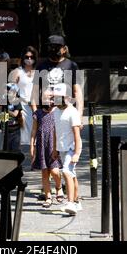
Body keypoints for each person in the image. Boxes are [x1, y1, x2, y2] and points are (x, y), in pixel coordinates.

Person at [30, 35, 83, 124]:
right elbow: (34, 92)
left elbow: (77, 92)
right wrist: (36, 113)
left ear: (64, 49)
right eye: (50, 46)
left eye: (57, 47)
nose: (53, 49)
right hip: (46, 113)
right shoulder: (41, 67)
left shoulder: (72, 66)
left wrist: (79, 115)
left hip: (66, 113)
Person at [51, 83, 83, 215]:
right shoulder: (55, 112)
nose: (57, 100)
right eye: (56, 97)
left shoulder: (72, 112)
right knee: (72, 174)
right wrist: (54, 149)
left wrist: (76, 153)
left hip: (72, 148)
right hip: (62, 148)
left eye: (61, 97)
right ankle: (76, 201)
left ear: (68, 98)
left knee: (66, 171)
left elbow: (77, 135)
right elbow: (55, 132)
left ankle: (70, 203)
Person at [30, 92, 64, 208]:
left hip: (53, 145)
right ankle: (48, 196)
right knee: (44, 173)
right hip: (41, 145)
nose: (49, 101)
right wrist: (32, 146)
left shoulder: (57, 112)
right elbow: (34, 131)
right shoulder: (37, 113)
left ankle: (59, 187)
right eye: (47, 98)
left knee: (54, 171)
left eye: (52, 98)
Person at [9, 46, 38, 147]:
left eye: (31, 57)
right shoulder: (17, 72)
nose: (29, 59)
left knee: (37, 138)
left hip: (36, 107)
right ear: (23, 57)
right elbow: (10, 91)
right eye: (27, 57)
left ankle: (36, 160)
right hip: (23, 108)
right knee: (23, 138)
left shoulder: (39, 71)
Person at [3, 83, 23, 151]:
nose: (7, 91)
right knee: (6, 148)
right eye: (6, 90)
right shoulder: (5, 101)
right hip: (5, 129)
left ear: (15, 92)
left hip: (15, 129)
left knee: (15, 149)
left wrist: (6, 110)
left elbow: (15, 114)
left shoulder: (17, 101)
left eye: (9, 90)